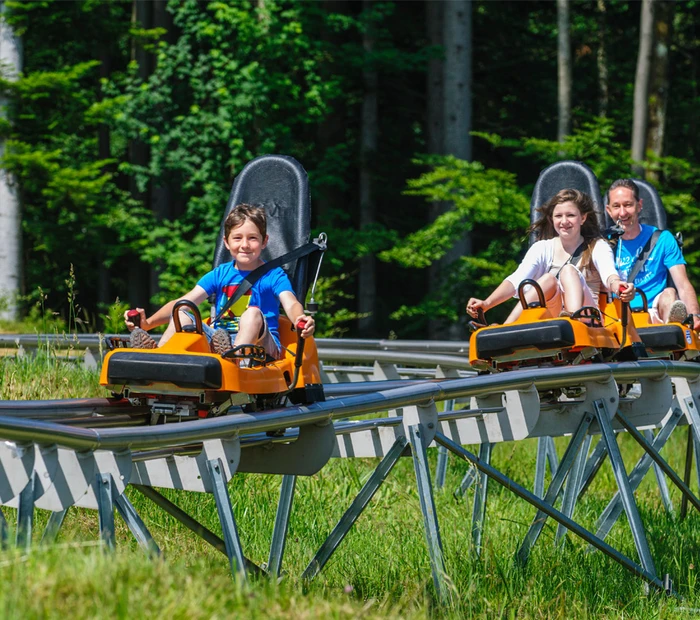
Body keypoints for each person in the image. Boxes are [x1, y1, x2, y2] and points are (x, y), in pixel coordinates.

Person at [125, 203, 315, 358]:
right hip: (219, 341)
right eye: (238, 238)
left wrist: (300, 319)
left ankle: (234, 360)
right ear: (226, 242)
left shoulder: (274, 275)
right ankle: (158, 357)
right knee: (183, 311)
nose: (245, 245)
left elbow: (290, 303)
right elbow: (184, 302)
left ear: (264, 241)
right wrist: (148, 323)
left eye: (253, 238)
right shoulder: (220, 274)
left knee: (252, 314)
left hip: (262, 347)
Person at [467, 189, 634, 323]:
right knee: (547, 280)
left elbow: (609, 275)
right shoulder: (542, 248)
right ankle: (506, 330)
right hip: (554, 316)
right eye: (558, 216)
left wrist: (619, 286)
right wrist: (487, 304)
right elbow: (516, 280)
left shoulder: (597, 246)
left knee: (569, 271)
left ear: (582, 218)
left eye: (570, 215)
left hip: (588, 318)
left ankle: (573, 321)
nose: (564, 221)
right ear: (551, 219)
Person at [605, 179, 700, 330]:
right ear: (609, 210)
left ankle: (671, 333)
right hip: (618, 314)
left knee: (670, 293)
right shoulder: (603, 244)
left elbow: (683, 284)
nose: (622, 212)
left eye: (628, 205)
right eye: (616, 206)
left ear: (639, 205)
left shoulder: (663, 239)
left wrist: (695, 316)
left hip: (655, 311)